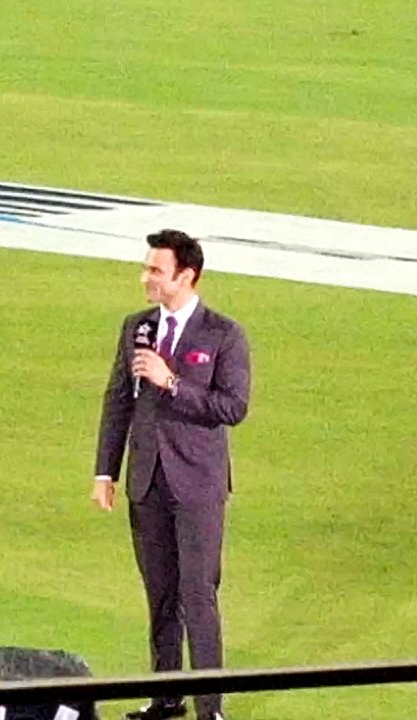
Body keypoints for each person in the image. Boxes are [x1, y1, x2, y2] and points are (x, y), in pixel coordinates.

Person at [92, 229, 251, 720]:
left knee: (197, 595)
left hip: (198, 486)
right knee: (160, 593)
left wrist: (172, 382)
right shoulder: (136, 327)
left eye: (156, 271)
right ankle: (166, 697)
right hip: (147, 481)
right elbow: (118, 400)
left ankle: (211, 709)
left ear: (187, 276)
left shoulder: (224, 334)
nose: (146, 278)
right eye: (147, 268)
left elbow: (233, 406)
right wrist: (105, 471)